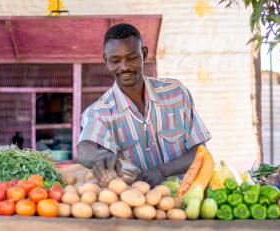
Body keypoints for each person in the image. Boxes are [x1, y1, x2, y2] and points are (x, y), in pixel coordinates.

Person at [77, 23, 211, 187]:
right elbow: (84, 149)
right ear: (106, 60)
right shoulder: (99, 112)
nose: (124, 67)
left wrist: (162, 171)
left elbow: (200, 150)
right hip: (138, 205)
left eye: (132, 58)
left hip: (188, 198)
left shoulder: (176, 93)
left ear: (144, 54)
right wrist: (99, 157)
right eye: (115, 60)